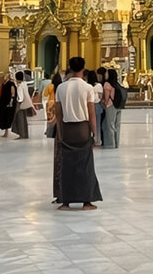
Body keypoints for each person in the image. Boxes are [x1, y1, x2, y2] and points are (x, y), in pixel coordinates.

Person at [54, 56, 102, 211]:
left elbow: (59, 114)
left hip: (67, 129)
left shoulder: (61, 88)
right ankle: (86, 201)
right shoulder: (88, 88)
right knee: (85, 165)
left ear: (69, 67)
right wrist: (95, 133)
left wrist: (60, 133)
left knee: (67, 166)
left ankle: (66, 201)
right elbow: (92, 113)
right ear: (83, 68)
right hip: (83, 129)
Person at [102, 69, 123, 149]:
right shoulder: (117, 84)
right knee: (117, 125)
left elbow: (106, 98)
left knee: (110, 124)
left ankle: (111, 144)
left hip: (111, 105)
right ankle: (117, 143)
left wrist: (104, 102)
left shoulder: (107, 84)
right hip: (119, 105)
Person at [11, 71, 33, 139]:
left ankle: (21, 134)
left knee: (19, 120)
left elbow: (20, 97)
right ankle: (25, 134)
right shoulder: (24, 84)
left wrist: (18, 102)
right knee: (24, 120)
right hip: (25, 104)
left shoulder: (20, 86)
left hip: (20, 104)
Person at [0, 72, 17, 137]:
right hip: (3, 103)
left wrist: (11, 101)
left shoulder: (11, 84)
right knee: (3, 116)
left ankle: (7, 132)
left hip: (8, 103)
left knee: (7, 117)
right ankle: (5, 130)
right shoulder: (2, 84)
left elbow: (12, 93)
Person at [89, 68, 105, 146]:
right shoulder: (98, 85)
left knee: (89, 123)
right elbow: (101, 96)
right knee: (98, 124)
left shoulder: (87, 86)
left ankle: (90, 139)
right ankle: (97, 140)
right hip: (97, 105)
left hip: (89, 105)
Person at [44, 73, 62, 138]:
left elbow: (45, 94)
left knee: (50, 120)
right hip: (59, 102)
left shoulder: (50, 86)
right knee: (58, 119)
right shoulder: (61, 86)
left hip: (50, 103)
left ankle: (49, 132)